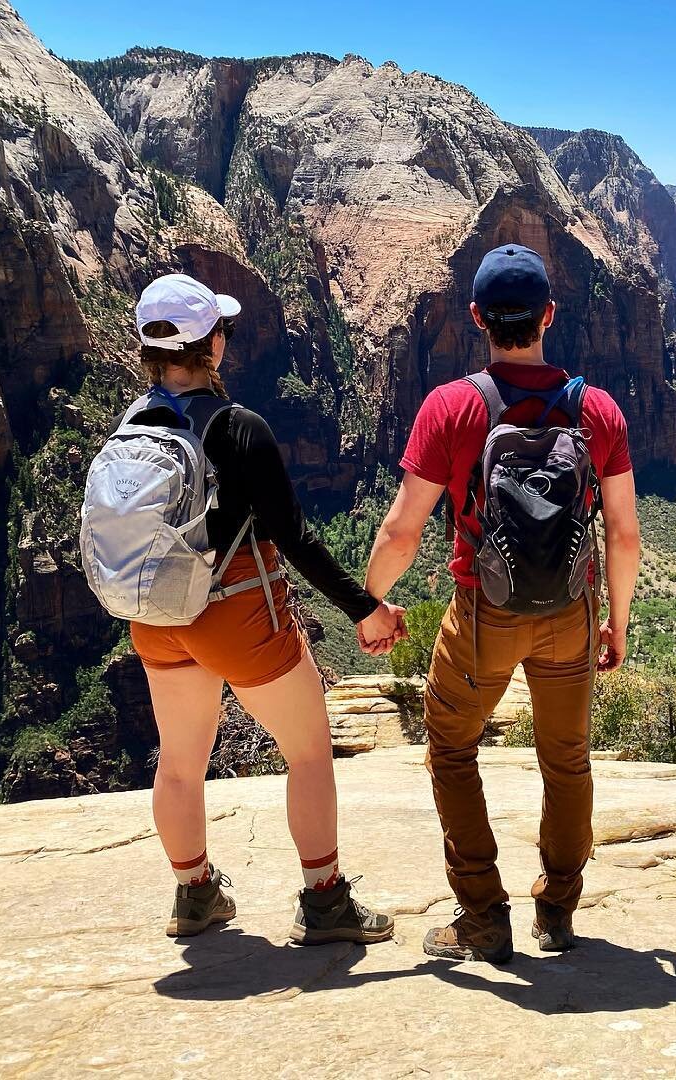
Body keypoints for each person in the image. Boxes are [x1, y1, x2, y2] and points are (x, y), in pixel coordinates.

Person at [363, 245, 641, 963]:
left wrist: (371, 602)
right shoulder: (597, 409)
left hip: (483, 618)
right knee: (567, 760)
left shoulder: (452, 406)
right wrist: (617, 624)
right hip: (571, 617)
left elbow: (401, 530)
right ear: (548, 316)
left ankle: (483, 914)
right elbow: (626, 534)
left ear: (478, 319)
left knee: (451, 747)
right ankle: (557, 909)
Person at [120, 273, 401, 945]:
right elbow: (295, 538)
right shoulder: (239, 427)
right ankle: (325, 901)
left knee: (181, 760)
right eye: (223, 330)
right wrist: (366, 608)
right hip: (234, 610)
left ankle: (195, 896)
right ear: (211, 345)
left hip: (155, 614)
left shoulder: (131, 426)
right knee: (307, 751)